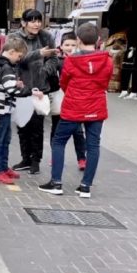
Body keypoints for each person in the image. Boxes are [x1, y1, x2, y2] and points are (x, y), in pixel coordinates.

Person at [39, 23, 112, 198]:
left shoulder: (71, 60)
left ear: (78, 40)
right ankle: (85, 186)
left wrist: (73, 91)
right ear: (98, 40)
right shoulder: (107, 60)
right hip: (96, 105)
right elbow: (105, 82)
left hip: (74, 105)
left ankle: (56, 182)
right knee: (93, 145)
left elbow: (64, 82)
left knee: (59, 141)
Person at [9, 9, 58, 176]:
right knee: (22, 125)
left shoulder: (46, 37)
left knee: (37, 127)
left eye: (38, 21)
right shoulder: (14, 37)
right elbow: (15, 58)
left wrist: (45, 71)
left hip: (40, 89)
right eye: (32, 21)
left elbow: (53, 58)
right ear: (24, 23)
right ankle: (25, 159)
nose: (36, 24)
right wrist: (38, 53)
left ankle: (36, 160)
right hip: (21, 87)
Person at [0, 36, 31, 184]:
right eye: (19, 56)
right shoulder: (6, 68)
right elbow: (11, 90)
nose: (19, 59)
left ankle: (3, 168)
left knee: (4, 140)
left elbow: (5, 84)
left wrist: (15, 84)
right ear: (12, 52)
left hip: (0, 108)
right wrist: (29, 91)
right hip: (0, 109)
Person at [46, 33, 87, 171]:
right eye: (67, 45)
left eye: (73, 45)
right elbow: (51, 78)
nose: (70, 47)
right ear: (61, 46)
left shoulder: (81, 59)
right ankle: (55, 156)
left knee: (78, 131)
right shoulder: (56, 61)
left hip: (76, 100)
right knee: (56, 129)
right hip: (60, 98)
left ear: (78, 45)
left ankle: (81, 158)